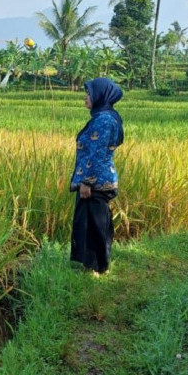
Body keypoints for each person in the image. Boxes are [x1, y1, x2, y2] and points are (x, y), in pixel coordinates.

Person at [70, 78, 124, 275]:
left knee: (95, 225)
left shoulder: (104, 120)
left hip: (96, 182)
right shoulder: (106, 117)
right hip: (100, 178)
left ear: (101, 96)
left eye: (89, 93)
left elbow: (97, 153)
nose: (86, 97)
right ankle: (93, 266)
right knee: (92, 223)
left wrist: (86, 182)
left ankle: (99, 268)